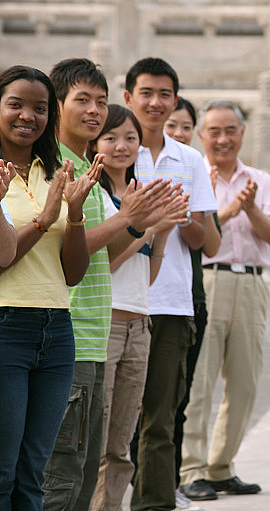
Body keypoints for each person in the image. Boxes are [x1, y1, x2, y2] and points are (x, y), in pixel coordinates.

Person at [43, 57, 171, 511]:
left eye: (101, 101)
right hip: (71, 334)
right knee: (61, 475)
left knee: (84, 470)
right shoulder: (53, 167)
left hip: (95, 336)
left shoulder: (89, 171)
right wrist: (127, 219)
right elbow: (62, 250)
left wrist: (140, 223)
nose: (95, 110)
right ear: (57, 106)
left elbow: (103, 253)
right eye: (83, 100)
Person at [0, 64, 97, 511]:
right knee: (3, 471)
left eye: (40, 108)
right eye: (15, 105)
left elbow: (72, 273)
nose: (28, 116)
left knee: (34, 472)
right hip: (6, 325)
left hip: (57, 329)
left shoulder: (55, 171)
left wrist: (73, 215)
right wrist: (44, 219)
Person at [179, 100, 270, 500]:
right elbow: (193, 234)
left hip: (251, 284)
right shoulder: (193, 176)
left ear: (242, 133)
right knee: (199, 380)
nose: (223, 139)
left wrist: (251, 207)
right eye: (214, 131)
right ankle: (190, 468)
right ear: (201, 135)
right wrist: (228, 208)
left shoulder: (260, 180)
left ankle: (221, 466)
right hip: (207, 280)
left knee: (244, 381)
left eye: (230, 130)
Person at [124, 57, 217, 511]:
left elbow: (206, 241)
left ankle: (155, 501)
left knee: (161, 417)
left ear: (175, 100)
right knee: (115, 416)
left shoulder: (190, 159)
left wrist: (178, 219)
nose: (155, 103)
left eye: (165, 94)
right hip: (123, 299)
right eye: (146, 93)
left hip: (173, 302)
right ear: (128, 98)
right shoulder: (118, 153)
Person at [88, 104, 188, 511]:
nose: (121, 146)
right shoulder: (93, 196)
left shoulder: (139, 194)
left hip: (139, 324)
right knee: (95, 440)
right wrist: (146, 227)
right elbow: (105, 264)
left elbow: (145, 277)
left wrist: (162, 233)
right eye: (110, 137)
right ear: (95, 144)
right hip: (106, 324)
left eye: (130, 138)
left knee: (121, 445)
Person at [165, 97, 221, 511]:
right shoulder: (135, 162)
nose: (179, 134)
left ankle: (170, 483)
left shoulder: (193, 167)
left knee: (177, 398)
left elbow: (210, 243)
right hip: (142, 299)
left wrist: (193, 210)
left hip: (188, 294)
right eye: (172, 126)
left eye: (186, 126)